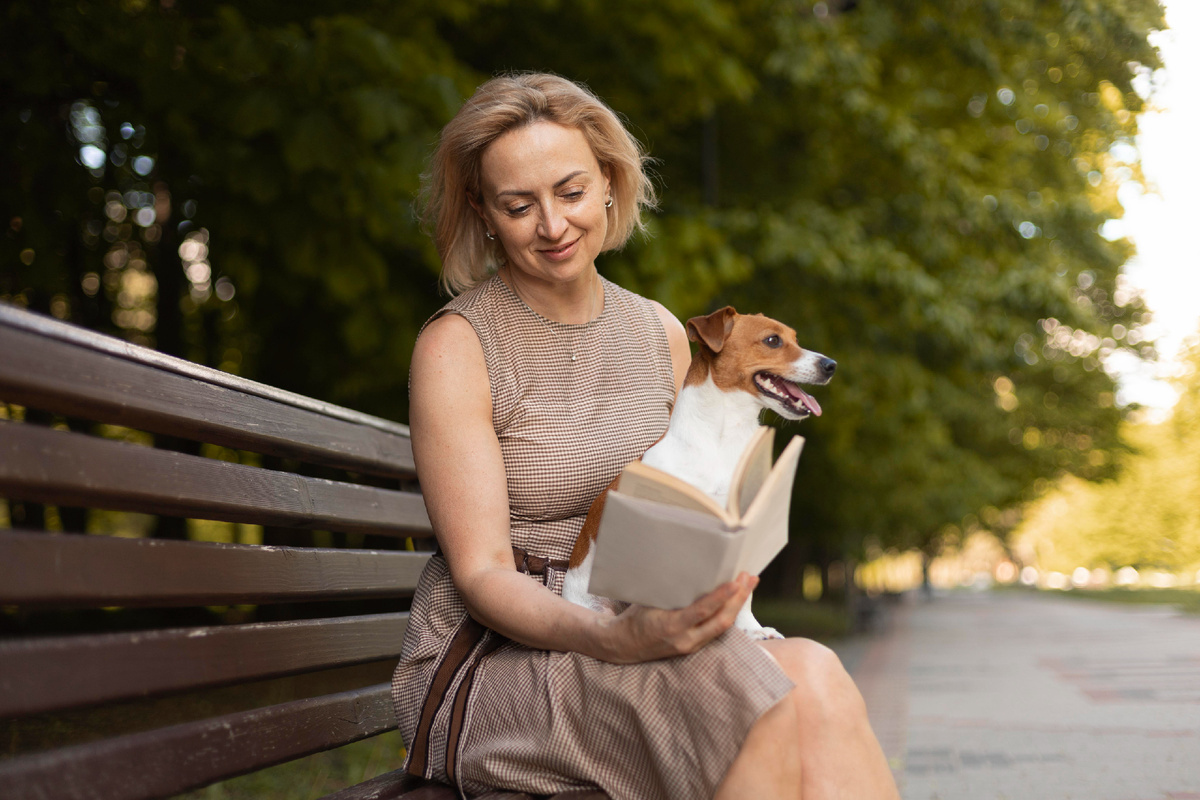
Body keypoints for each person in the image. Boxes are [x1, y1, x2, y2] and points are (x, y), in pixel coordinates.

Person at [392, 72, 901, 800]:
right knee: (767, 700)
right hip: (498, 661)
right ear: (483, 211)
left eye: (570, 192)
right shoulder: (458, 347)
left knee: (812, 672)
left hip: (647, 618)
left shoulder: (661, 331)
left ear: (608, 181)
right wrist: (610, 637)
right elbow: (481, 576)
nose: (553, 225)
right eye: (518, 204)